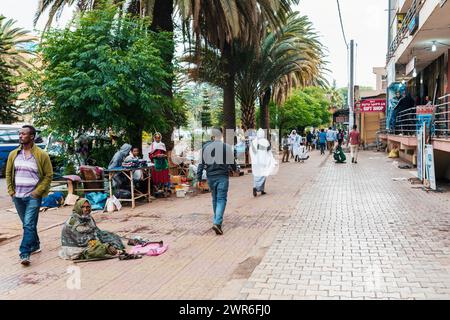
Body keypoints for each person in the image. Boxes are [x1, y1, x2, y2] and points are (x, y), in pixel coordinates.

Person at [6, 125, 53, 266]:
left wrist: (37, 192)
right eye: (19, 134)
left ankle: (24, 253)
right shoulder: (13, 154)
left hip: (33, 196)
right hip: (18, 196)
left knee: (28, 224)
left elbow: (48, 175)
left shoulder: (41, 155)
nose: (20, 136)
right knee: (29, 225)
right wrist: (11, 191)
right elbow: (8, 174)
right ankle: (36, 244)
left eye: (23, 134)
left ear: (32, 137)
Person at [197, 129, 236, 235]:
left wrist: (199, 178)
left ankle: (216, 220)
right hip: (222, 176)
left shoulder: (205, 147)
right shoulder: (226, 147)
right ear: (221, 135)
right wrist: (235, 169)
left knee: (215, 199)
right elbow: (232, 162)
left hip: (211, 177)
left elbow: (201, 164)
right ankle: (217, 223)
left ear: (212, 136)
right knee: (221, 199)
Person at [59, 199, 125, 261]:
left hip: (88, 241)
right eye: (83, 207)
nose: (86, 209)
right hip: (76, 248)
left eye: (88, 207)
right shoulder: (73, 222)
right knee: (99, 250)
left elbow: (95, 230)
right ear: (78, 208)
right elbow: (82, 242)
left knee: (111, 236)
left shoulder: (88, 217)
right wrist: (105, 246)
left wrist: (104, 241)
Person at [250, 129, 276, 197]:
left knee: (256, 175)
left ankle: (258, 188)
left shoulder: (253, 141)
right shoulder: (265, 141)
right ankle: (258, 188)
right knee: (263, 174)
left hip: (255, 162)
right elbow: (269, 150)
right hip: (263, 161)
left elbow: (251, 151)